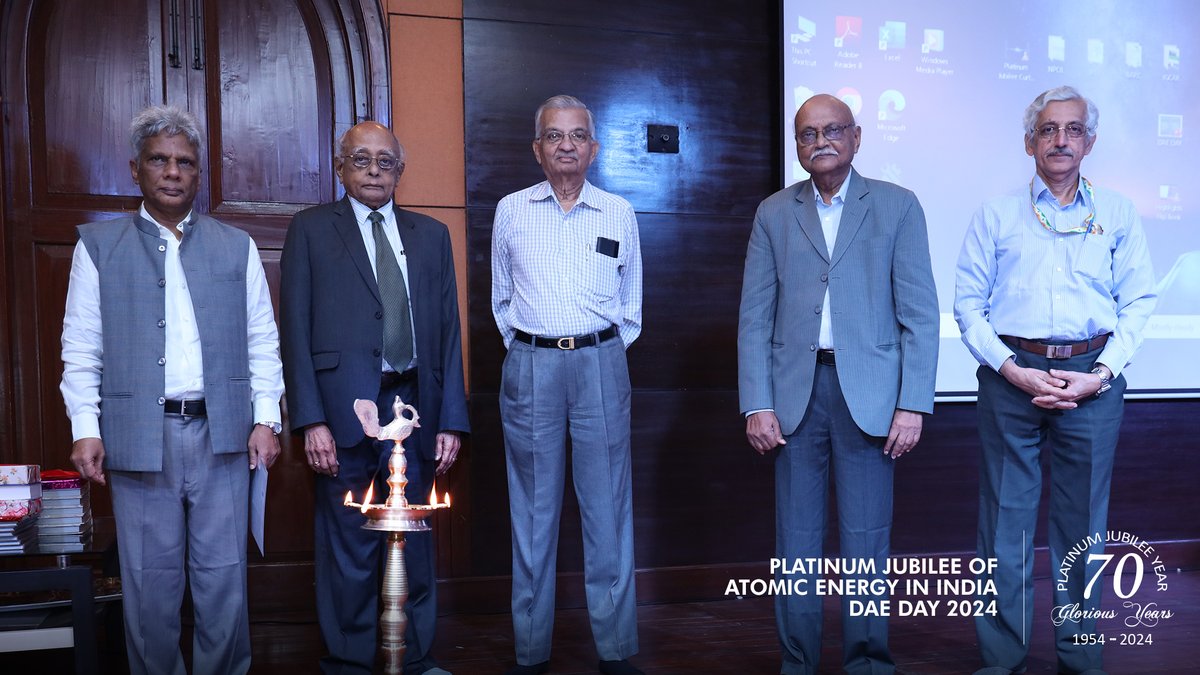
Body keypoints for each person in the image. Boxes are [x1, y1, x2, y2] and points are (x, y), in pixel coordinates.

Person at [60, 105, 284, 675]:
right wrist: (85, 427)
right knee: (148, 586)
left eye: (185, 162)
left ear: (199, 172)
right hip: (139, 439)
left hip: (223, 435)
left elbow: (262, 339)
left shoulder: (236, 245)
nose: (173, 172)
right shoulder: (99, 246)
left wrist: (266, 419)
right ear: (135, 168)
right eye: (159, 160)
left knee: (224, 581)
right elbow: (81, 347)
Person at [954, 85, 1157, 675]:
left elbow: (1139, 301)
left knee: (1083, 530)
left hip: (1092, 381)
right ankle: (1001, 659)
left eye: (1072, 130)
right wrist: (1012, 369)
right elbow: (968, 306)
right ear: (1029, 143)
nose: (1060, 139)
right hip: (1010, 377)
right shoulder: (996, 215)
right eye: (1048, 129)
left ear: (1089, 142)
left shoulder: (1117, 213)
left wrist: (1101, 374)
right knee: (1004, 526)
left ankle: (1081, 659)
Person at [737, 93, 939, 675]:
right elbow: (754, 317)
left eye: (832, 130)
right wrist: (756, 403)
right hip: (794, 399)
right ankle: (797, 663)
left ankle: (868, 662)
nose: (820, 141)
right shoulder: (774, 212)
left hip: (871, 399)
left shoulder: (898, 206)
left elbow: (920, 315)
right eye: (807, 133)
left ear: (856, 137)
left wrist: (912, 403)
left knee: (866, 542)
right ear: (797, 145)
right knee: (796, 543)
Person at [280, 121, 468, 675]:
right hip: (342, 409)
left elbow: (449, 334)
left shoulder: (431, 235)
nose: (373, 171)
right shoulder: (311, 230)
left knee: (416, 534)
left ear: (400, 171)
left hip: (414, 406)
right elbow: (294, 331)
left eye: (385, 162)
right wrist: (310, 420)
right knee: (349, 541)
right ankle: (353, 660)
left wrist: (451, 420)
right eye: (361, 160)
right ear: (340, 168)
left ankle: (415, 656)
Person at [491, 94, 644, 675]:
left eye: (577, 135)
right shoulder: (511, 210)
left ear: (594, 148)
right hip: (531, 366)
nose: (566, 145)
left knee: (608, 509)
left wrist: (598, 352)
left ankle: (616, 651)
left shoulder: (618, 212)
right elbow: (501, 301)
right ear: (537, 148)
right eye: (554, 135)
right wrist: (533, 352)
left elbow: (631, 305)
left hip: (601, 364)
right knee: (532, 512)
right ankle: (531, 651)